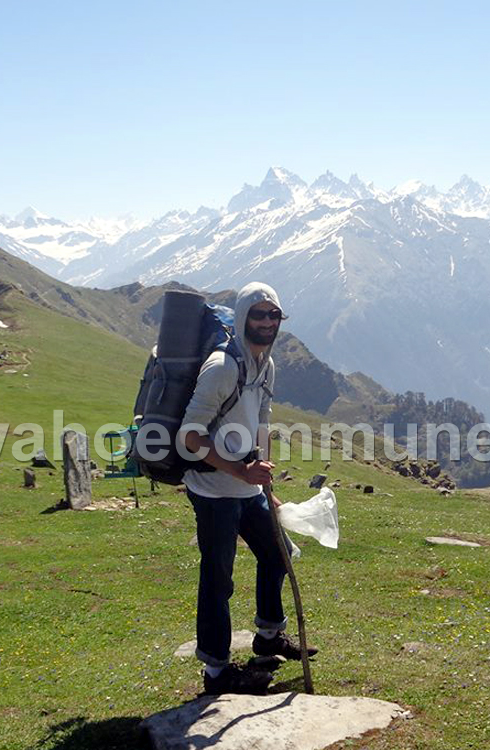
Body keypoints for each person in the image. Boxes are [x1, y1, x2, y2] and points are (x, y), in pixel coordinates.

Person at [179, 281, 317, 695]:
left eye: (274, 315)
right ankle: (216, 671)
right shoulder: (222, 367)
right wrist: (241, 472)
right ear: (242, 318)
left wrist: (264, 483)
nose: (267, 323)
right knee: (218, 578)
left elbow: (262, 424)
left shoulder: (265, 365)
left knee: (278, 554)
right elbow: (189, 436)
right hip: (213, 490)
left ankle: (268, 637)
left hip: (247, 488)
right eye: (259, 315)